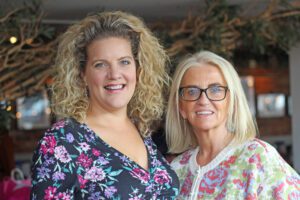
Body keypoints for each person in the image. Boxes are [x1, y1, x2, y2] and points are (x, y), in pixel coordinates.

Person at [31, 11, 179, 199]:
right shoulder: (61, 141)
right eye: (100, 64)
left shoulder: (141, 129)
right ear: (82, 74)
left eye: (124, 62)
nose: (115, 74)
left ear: (138, 69)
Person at [166, 51, 300, 199]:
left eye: (216, 90)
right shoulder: (176, 170)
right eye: (191, 91)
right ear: (181, 108)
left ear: (231, 102)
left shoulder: (257, 157)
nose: (203, 100)